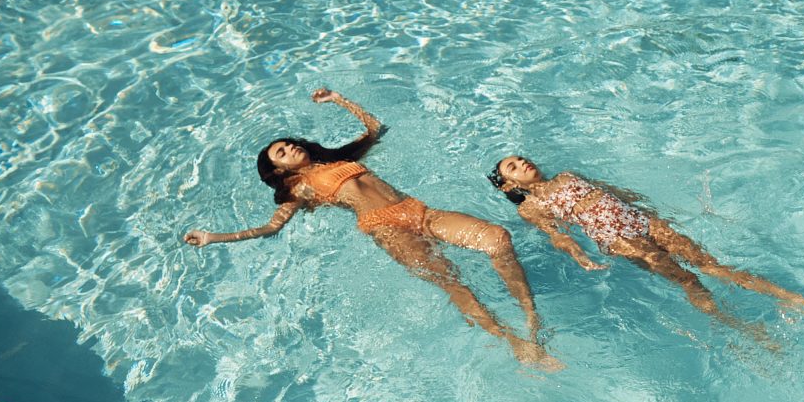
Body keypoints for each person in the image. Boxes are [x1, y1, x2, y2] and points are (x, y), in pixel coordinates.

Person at [184, 90, 553, 367]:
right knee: (453, 282)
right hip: (387, 229)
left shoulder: (340, 159)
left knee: (497, 238)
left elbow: (375, 128)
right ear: (279, 172)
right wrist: (214, 237)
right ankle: (513, 343)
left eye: (289, 144)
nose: (291, 149)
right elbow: (271, 227)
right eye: (281, 153)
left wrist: (339, 99)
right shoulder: (298, 189)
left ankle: (531, 317)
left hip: (418, 211)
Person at [487, 155, 804, 332]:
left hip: (643, 222)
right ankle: (740, 327)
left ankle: (791, 298)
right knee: (689, 280)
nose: (523, 163)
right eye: (513, 167)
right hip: (619, 239)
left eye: (521, 158)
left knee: (711, 265)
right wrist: (577, 255)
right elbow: (556, 234)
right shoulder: (531, 208)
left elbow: (616, 193)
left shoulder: (567, 175)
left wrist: (656, 214)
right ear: (507, 186)